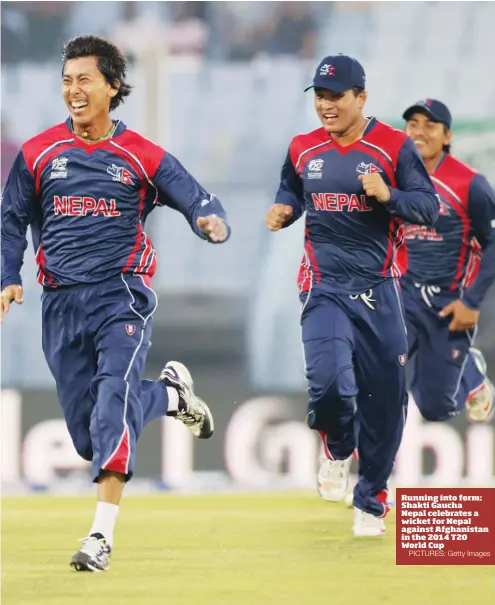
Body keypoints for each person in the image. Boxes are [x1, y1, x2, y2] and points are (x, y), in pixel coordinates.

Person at [1, 35, 231, 572]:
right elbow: (11, 218)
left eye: (84, 80)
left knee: (111, 406)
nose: (73, 91)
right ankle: (171, 397)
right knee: (88, 437)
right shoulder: (39, 153)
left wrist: (208, 221)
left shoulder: (142, 155)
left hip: (121, 296)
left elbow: (196, 197)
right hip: (60, 305)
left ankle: (100, 538)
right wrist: (9, 276)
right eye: (66, 80)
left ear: (112, 85)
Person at [265, 54, 439, 537]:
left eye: (336, 96)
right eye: (319, 95)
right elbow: (292, 186)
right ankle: (338, 450)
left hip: (380, 290)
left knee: (385, 403)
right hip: (323, 286)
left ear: (361, 98)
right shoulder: (302, 147)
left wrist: (388, 196)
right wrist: (285, 207)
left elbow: (427, 207)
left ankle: (371, 501)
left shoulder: (394, 147)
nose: (326, 104)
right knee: (328, 384)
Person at [402, 99, 495, 423]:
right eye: (413, 124)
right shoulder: (390, 178)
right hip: (402, 294)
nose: (419, 132)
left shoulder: (470, 184)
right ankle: (351, 452)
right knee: (377, 359)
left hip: (449, 300)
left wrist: (471, 301)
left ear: (447, 136)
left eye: (430, 125)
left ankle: (471, 369)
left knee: (435, 407)